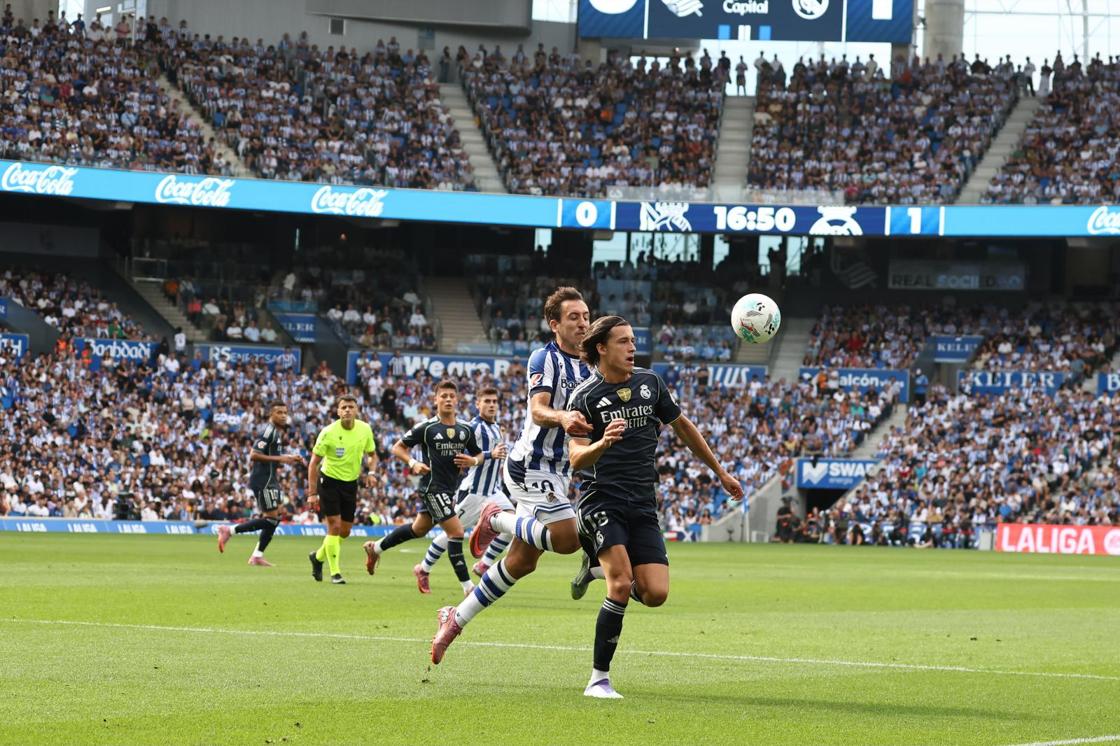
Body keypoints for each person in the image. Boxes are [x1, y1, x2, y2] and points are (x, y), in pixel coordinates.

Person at [569, 316, 743, 698]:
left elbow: (684, 428)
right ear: (601, 348)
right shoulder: (584, 397)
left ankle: (593, 568)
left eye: (633, 341)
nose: (632, 348)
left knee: (654, 594)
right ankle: (598, 679)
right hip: (602, 500)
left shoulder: (650, 384)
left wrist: (720, 472)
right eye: (623, 342)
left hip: (644, 503)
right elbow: (576, 460)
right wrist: (602, 444)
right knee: (620, 586)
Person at [430, 287, 593, 664]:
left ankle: (455, 619)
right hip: (530, 464)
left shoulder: (591, 366)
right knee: (568, 540)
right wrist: (563, 416)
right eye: (573, 317)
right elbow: (538, 410)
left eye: (585, 316)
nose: (582, 322)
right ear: (555, 324)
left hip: (560, 469)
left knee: (522, 562)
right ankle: (497, 518)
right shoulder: (545, 358)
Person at [362, 380, 485, 597]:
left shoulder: (465, 429)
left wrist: (472, 461)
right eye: (443, 396)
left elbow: (479, 455)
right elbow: (397, 447)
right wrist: (413, 463)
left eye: (451, 396)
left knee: (419, 529)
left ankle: (377, 548)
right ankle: (468, 588)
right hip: (431, 487)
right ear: (435, 400)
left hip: (449, 489)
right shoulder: (426, 427)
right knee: (456, 531)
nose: (448, 399)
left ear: (457, 400)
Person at [413, 386, 512, 593]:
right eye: (487, 401)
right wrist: (488, 454)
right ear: (478, 404)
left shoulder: (497, 427)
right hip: (474, 492)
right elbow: (459, 454)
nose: (492, 405)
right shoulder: (472, 427)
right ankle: (423, 568)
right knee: (453, 533)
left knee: (514, 525)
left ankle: (484, 564)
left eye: (494, 401)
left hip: (493, 489)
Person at [217, 402, 305, 565]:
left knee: (277, 516)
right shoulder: (268, 432)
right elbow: (254, 454)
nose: (283, 415)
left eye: (285, 412)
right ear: (271, 414)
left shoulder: (276, 434)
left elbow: (272, 456)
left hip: (270, 480)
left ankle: (257, 555)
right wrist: (282, 458)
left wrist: (289, 457)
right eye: (279, 412)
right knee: (271, 518)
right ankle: (228, 530)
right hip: (262, 480)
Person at [307, 396, 379, 584]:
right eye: (343, 407)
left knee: (345, 531)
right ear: (338, 412)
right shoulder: (328, 432)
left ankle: (318, 557)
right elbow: (313, 463)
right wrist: (312, 494)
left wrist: (372, 472)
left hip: (350, 483)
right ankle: (335, 573)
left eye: (350, 407)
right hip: (328, 481)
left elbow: (373, 455)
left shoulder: (365, 429)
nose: (347, 410)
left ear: (356, 410)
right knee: (335, 526)